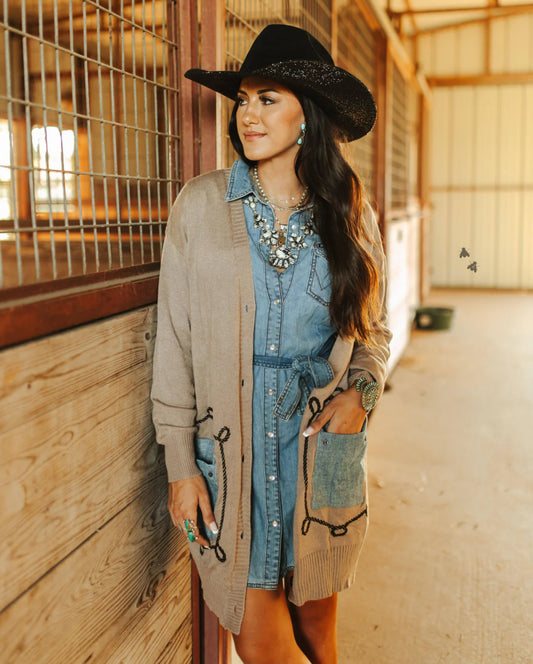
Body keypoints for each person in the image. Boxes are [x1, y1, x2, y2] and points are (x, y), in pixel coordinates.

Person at [151, 24, 392, 664]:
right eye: (243, 100)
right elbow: (174, 342)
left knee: (318, 635)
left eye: (268, 99)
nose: (248, 115)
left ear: (307, 114)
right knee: (263, 646)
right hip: (230, 463)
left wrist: (361, 395)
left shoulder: (349, 211)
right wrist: (180, 466)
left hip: (318, 455)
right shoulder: (201, 206)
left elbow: (373, 331)